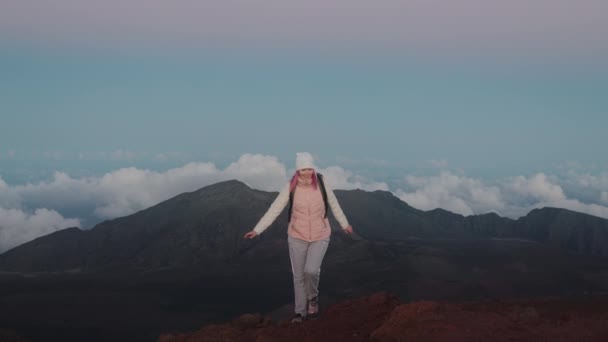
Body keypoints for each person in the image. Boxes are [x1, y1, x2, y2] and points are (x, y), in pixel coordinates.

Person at [243, 152, 354, 323]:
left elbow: (334, 204)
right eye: (303, 169)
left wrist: (344, 223)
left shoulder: (322, 183)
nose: (307, 172)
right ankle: (300, 312)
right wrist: (257, 230)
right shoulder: (291, 187)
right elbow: (274, 209)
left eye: (310, 168)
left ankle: (313, 299)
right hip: (297, 236)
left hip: (320, 235)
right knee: (298, 276)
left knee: (311, 270)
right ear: (297, 170)